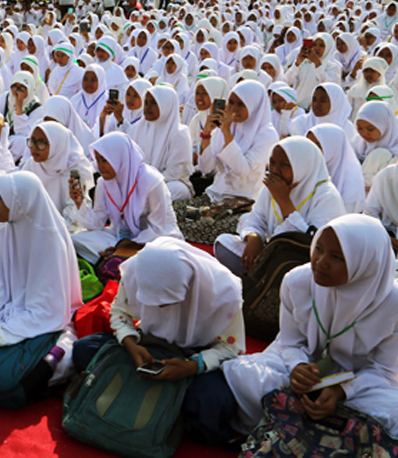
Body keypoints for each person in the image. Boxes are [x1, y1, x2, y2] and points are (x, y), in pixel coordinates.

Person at [221, 214, 398, 437]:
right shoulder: (298, 280)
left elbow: (383, 370)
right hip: (297, 367)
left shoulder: (392, 304)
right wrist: (298, 368)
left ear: (366, 264)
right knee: (244, 377)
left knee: (393, 413)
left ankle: (288, 424)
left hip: (358, 381)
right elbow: (289, 341)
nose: (321, 262)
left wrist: (340, 392)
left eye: (337, 257)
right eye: (319, 248)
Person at [71, 237, 245, 445]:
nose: (159, 308)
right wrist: (131, 344)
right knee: (83, 349)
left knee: (215, 400)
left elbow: (231, 346)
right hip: (145, 345)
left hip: (194, 354)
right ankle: (171, 408)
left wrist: (192, 366)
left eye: (167, 301)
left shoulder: (223, 292)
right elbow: (120, 311)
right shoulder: (136, 271)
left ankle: (144, 396)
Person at [0, 171, 83, 387]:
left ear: (21, 201)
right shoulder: (3, 228)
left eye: (1, 198)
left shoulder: (49, 241)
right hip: (8, 311)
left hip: (48, 322)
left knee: (63, 354)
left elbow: (47, 312)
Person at [214, 136, 346, 275]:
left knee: (291, 267)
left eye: (284, 164)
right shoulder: (272, 185)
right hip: (273, 251)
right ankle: (262, 277)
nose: (275, 170)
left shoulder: (326, 196)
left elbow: (312, 243)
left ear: (302, 165)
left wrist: (284, 201)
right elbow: (255, 218)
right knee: (224, 243)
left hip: (302, 261)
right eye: (272, 162)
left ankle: (264, 278)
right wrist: (254, 236)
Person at [70, 132, 182, 263]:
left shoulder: (152, 181)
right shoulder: (103, 183)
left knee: (157, 253)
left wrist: (122, 248)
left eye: (105, 160)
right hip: (120, 236)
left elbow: (158, 229)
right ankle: (117, 259)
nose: (100, 166)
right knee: (77, 239)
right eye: (98, 160)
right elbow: (97, 223)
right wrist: (80, 203)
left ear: (119, 157)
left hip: (153, 239)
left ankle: (115, 258)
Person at [198, 80, 278, 203]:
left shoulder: (267, 135)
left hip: (245, 200)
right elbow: (206, 168)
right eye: (231, 102)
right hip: (215, 194)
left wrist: (227, 133)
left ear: (254, 106)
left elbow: (242, 170)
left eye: (241, 104)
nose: (234, 109)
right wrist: (206, 134)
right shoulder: (226, 127)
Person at [20, 121, 94, 232]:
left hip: (65, 228)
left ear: (57, 145)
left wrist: (49, 229)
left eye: (41, 143)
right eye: (32, 141)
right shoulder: (32, 165)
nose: (34, 148)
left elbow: (76, 218)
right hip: (36, 223)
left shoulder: (75, 170)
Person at [128, 86, 194, 201]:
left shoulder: (180, 133)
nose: (147, 107)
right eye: (146, 102)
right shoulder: (136, 128)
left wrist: (149, 183)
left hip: (165, 182)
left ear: (166, 105)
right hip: (138, 182)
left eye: (154, 103)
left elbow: (175, 172)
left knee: (178, 189)